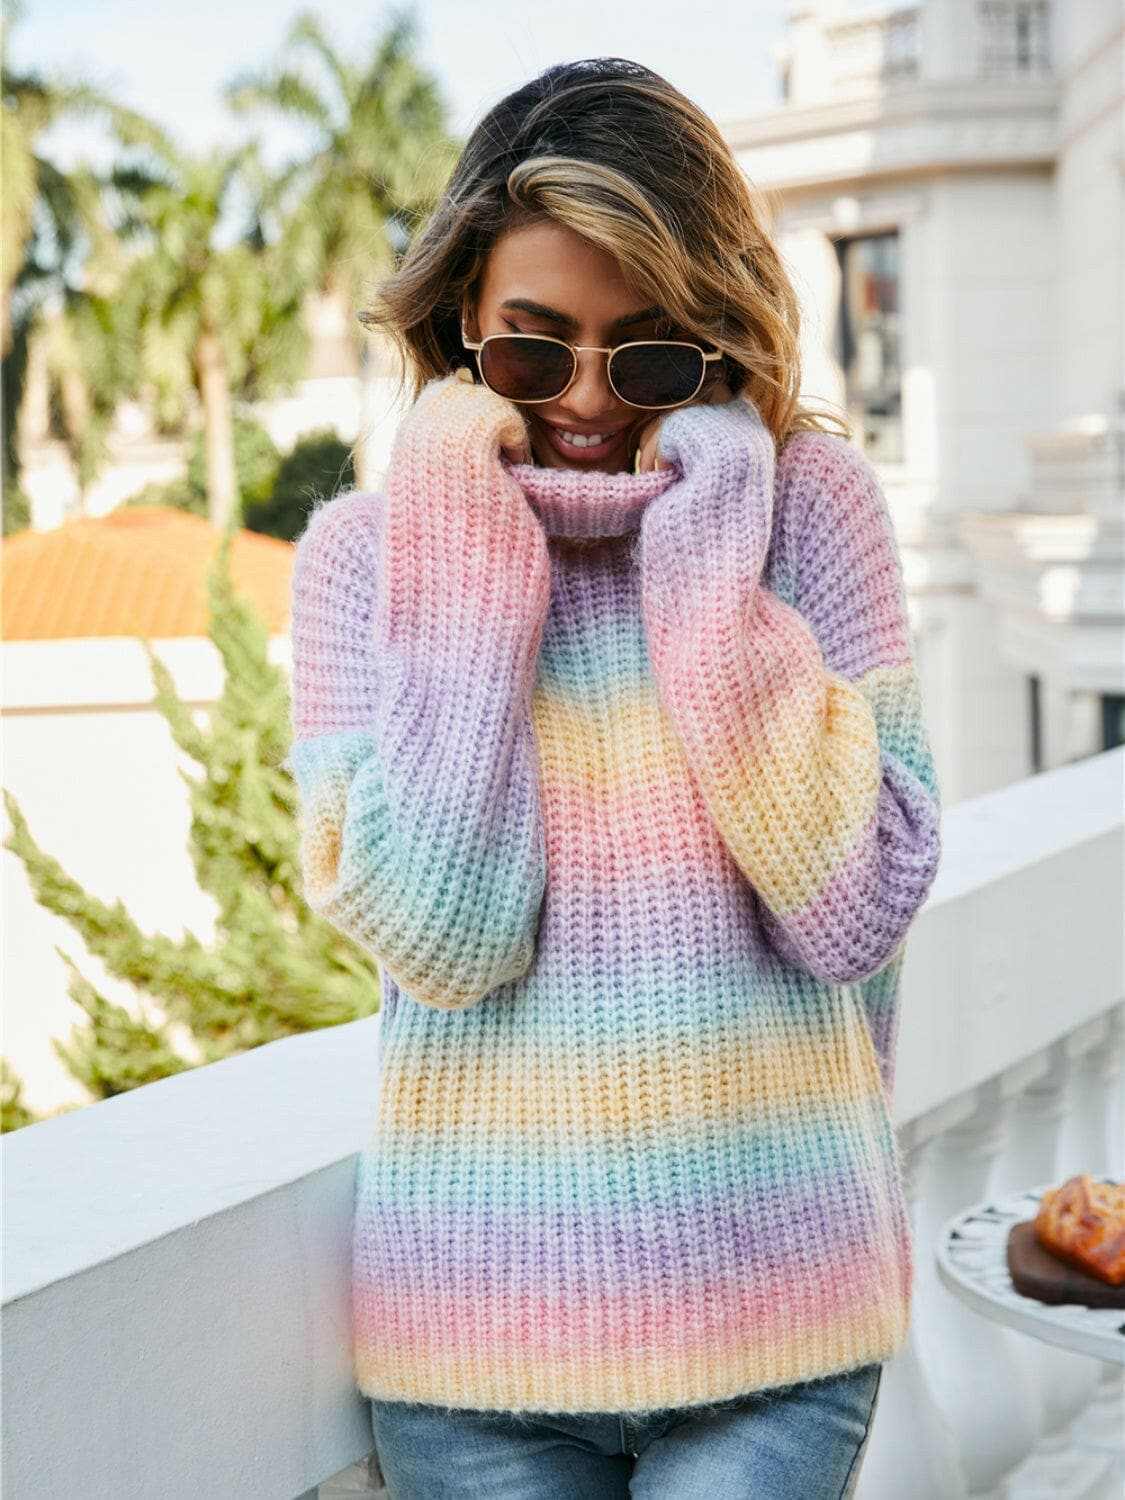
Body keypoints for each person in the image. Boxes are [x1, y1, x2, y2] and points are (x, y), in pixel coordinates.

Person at [285, 56, 942, 1499]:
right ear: (463, 322)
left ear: (711, 337)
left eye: (643, 356)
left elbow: (854, 911)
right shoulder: (362, 562)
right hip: (476, 1358)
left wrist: (707, 576)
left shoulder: (806, 510)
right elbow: (444, 937)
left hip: (782, 1338)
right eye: (534, 352)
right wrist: (467, 558)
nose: (585, 399)